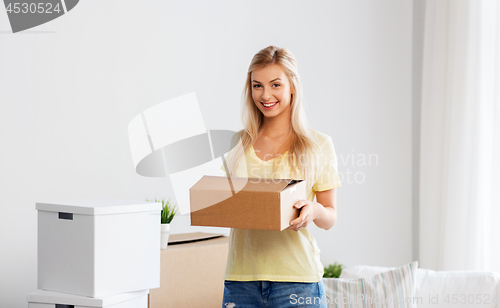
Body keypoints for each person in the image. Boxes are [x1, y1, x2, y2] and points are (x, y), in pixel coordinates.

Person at [221, 45, 341, 308]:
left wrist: (314, 210)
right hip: (241, 280)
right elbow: (228, 203)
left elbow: (330, 216)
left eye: (275, 84)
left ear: (292, 86)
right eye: (257, 86)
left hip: (296, 281)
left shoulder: (317, 145)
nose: (265, 95)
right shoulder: (237, 143)